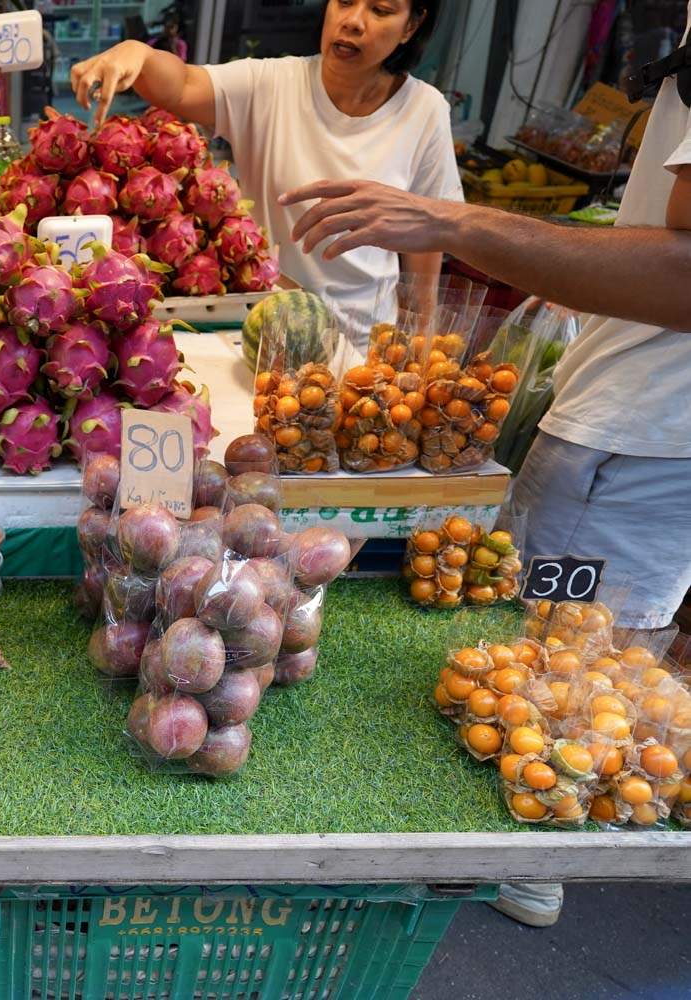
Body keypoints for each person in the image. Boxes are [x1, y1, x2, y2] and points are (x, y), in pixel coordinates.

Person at [282, 3, 691, 929]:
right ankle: (536, 828)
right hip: (648, 437)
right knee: (578, 632)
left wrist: (463, 225)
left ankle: (532, 850)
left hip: (639, 444)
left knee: (564, 635)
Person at [70, 0, 456, 326]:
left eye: (380, 9)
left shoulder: (425, 111)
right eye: (344, 1)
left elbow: (428, 237)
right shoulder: (271, 84)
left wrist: (419, 339)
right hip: (267, 330)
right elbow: (182, 85)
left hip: (366, 341)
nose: (352, 21)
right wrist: (139, 52)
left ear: (412, 25)